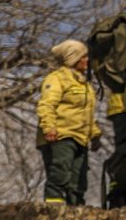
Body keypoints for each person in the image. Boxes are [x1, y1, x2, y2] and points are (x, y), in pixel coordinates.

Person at [36, 39, 101, 206]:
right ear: (73, 59)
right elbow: (46, 105)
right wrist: (49, 127)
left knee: (78, 182)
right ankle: (53, 211)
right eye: (84, 57)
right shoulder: (57, 78)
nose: (87, 60)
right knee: (59, 175)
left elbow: (86, 113)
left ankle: (76, 215)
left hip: (81, 138)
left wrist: (95, 134)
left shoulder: (84, 83)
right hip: (61, 136)